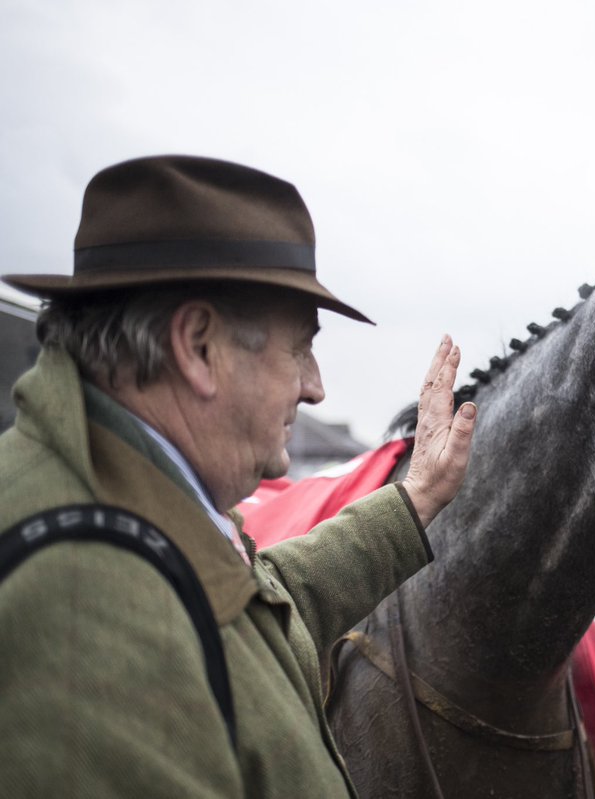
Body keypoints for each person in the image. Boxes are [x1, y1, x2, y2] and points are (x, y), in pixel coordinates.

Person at [0, 156, 476, 797]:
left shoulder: (115, 492)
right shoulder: (83, 601)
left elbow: (257, 607)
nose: (315, 387)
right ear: (198, 346)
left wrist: (416, 499)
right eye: (300, 347)